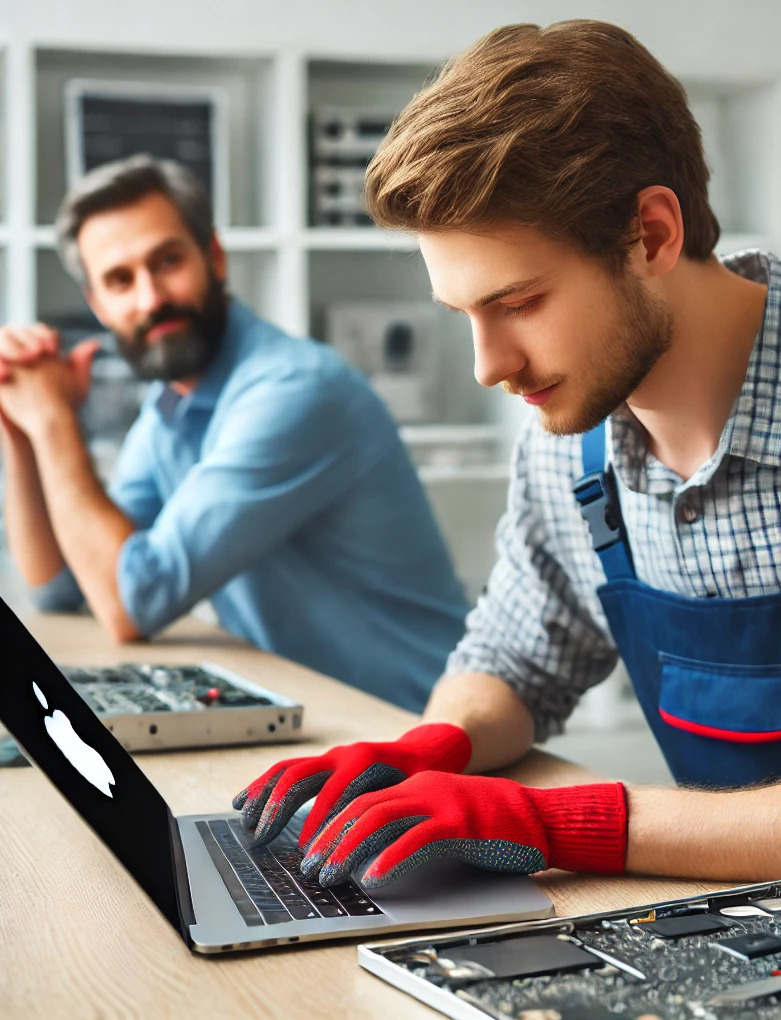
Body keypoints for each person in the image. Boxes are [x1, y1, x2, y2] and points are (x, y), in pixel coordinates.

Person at [234, 21, 781, 939]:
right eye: (464, 315)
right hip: (761, 935)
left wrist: (562, 822)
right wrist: (432, 748)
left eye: (518, 303)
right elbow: (519, 657)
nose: (490, 364)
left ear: (650, 233)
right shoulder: (569, 435)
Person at [0, 155, 468, 712]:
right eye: (120, 280)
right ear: (98, 306)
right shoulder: (170, 407)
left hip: (417, 734)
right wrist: (19, 421)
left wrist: (53, 418)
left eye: (167, 260)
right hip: (315, 726)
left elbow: (131, 601)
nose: (150, 298)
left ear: (213, 257)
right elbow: (61, 587)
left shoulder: (294, 390)